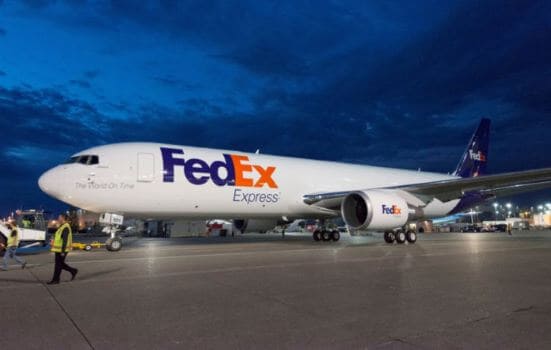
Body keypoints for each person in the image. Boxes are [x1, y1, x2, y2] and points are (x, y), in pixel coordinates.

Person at [47, 214, 78, 284]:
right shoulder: (62, 226)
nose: (58, 219)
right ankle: (73, 271)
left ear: (63, 218)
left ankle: (56, 280)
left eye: (59, 217)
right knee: (59, 264)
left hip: (62, 250)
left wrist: (63, 251)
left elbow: (65, 240)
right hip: (58, 249)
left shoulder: (66, 227)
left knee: (58, 265)